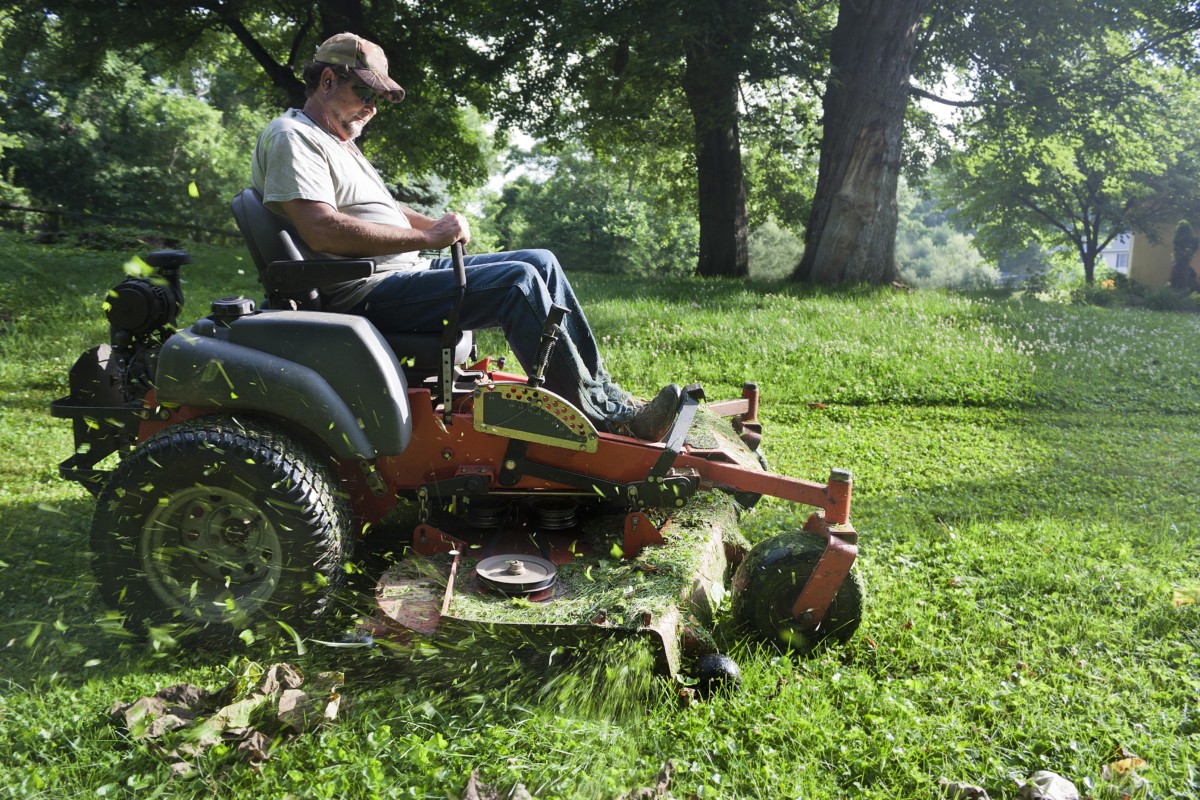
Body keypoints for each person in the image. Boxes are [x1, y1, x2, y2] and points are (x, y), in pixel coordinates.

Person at [251, 32, 681, 441]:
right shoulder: (295, 137)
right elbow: (321, 229)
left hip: (401, 273)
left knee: (541, 261)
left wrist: (430, 225)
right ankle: (602, 420)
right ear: (327, 80)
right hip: (365, 289)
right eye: (365, 95)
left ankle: (607, 395)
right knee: (516, 282)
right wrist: (428, 239)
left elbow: (377, 207)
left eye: (379, 101)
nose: (372, 109)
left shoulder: (336, 140)